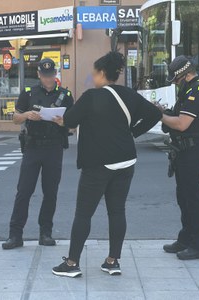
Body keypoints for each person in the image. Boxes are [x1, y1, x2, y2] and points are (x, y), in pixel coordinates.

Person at [52, 52, 162, 277]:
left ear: (102, 73)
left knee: (83, 213)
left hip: (98, 164)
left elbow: (70, 121)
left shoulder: (91, 96)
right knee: (117, 211)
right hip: (126, 161)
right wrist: (133, 132)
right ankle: (113, 261)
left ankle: (72, 263)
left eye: (94, 73)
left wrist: (60, 120)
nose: (92, 77)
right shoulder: (128, 95)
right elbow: (154, 113)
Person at [2, 58, 74, 250]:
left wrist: (63, 123)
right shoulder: (28, 93)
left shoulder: (65, 95)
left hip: (54, 148)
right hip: (32, 148)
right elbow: (15, 119)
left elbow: (73, 124)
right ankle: (15, 235)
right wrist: (26, 115)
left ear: (55, 74)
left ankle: (46, 233)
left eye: (51, 76)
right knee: (24, 192)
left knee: (50, 193)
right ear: (39, 75)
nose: (48, 79)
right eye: (44, 75)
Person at [159, 55, 199, 260]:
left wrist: (160, 115)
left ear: (184, 74)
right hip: (182, 151)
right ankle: (186, 239)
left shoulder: (198, 91)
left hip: (193, 150)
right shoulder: (186, 90)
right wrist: (163, 113)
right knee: (184, 197)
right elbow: (173, 118)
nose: (175, 83)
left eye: (176, 79)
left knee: (194, 198)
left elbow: (182, 124)